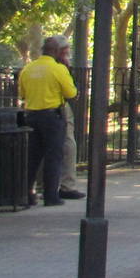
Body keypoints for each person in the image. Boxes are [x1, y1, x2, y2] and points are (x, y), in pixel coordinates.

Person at [18, 35, 78, 206]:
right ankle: (51, 196)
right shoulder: (58, 69)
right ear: (57, 51)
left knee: (33, 157)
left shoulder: (27, 69)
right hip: (52, 116)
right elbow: (71, 93)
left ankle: (26, 194)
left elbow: (22, 94)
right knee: (54, 156)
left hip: (31, 115)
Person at [51, 35, 85, 200]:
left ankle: (42, 186)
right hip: (59, 107)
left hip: (34, 110)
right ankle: (67, 185)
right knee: (68, 144)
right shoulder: (60, 68)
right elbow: (71, 92)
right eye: (66, 51)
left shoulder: (33, 67)